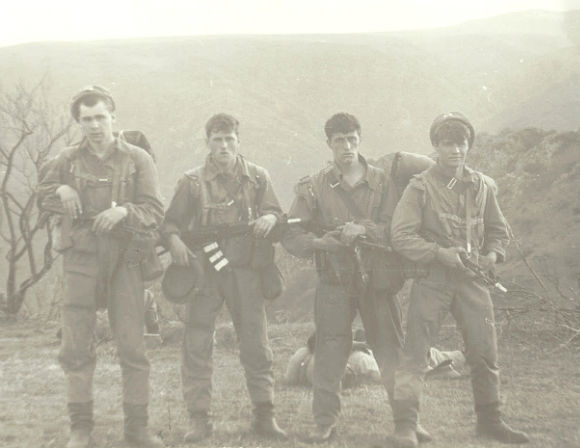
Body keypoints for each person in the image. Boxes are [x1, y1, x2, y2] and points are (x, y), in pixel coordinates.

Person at [282, 113, 430, 444]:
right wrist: (323, 242)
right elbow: (292, 234)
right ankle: (324, 423)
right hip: (334, 279)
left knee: (391, 350)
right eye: (339, 141)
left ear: (360, 139)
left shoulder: (382, 182)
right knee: (329, 350)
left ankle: (407, 422)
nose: (347, 147)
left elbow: (398, 227)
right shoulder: (315, 187)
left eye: (352, 139)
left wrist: (363, 229)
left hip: (377, 279)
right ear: (329, 144)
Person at [390, 112, 529, 447]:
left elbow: (498, 231)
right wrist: (440, 253)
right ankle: (406, 426)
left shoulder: (481, 186)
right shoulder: (419, 187)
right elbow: (401, 236)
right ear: (436, 146)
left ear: (469, 146)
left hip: (472, 281)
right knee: (416, 353)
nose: (455, 150)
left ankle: (490, 423)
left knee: (484, 352)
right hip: (433, 280)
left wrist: (492, 255)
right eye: (448, 143)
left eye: (461, 143)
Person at [38, 86, 165, 448]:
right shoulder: (66, 158)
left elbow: (155, 210)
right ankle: (81, 428)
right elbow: (41, 192)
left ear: (113, 117)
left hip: (125, 259)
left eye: (100, 117)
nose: (94, 125)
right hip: (80, 258)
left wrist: (124, 210)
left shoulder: (138, 158)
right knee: (76, 347)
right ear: (78, 122)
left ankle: (137, 429)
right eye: (86, 119)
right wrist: (61, 191)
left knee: (133, 347)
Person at [161, 113, 287, 443]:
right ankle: (199, 419)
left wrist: (269, 219)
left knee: (256, 342)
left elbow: (276, 211)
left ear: (238, 141)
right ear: (208, 143)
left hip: (245, 271)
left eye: (230, 139)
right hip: (204, 273)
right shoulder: (191, 182)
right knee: (197, 344)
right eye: (217, 139)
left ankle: (264, 414)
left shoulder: (257, 177)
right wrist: (174, 242)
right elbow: (170, 223)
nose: (224, 145)